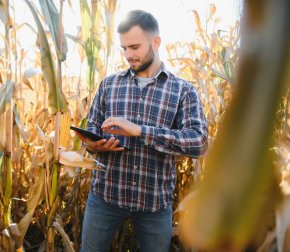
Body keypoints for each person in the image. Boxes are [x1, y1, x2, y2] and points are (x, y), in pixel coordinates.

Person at [75, 9, 208, 252]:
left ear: (156, 42)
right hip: (106, 197)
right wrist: (92, 145)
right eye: (123, 48)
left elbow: (198, 142)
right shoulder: (109, 84)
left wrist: (140, 131)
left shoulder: (183, 90)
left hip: (154, 204)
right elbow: (92, 127)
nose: (128, 55)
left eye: (134, 47)